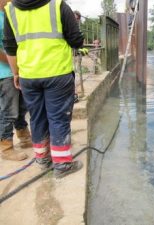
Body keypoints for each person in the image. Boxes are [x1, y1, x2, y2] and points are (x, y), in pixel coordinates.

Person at [3, 0, 84, 178]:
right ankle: (62, 165)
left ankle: (43, 159)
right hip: (57, 73)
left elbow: (9, 46)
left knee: (37, 117)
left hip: (29, 76)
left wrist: (16, 73)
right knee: (58, 118)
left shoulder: (10, 10)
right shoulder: (58, 5)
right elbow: (76, 40)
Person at [0, 0, 31, 161]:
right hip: (5, 72)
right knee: (8, 111)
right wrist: (13, 65)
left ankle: (24, 137)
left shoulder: (9, 14)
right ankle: (6, 147)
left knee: (22, 106)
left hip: (17, 70)